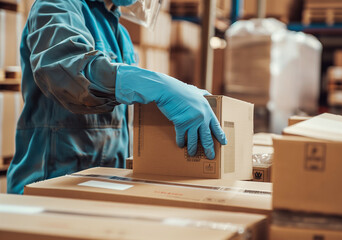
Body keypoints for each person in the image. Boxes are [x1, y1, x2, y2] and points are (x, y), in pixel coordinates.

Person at [7, 0, 226, 194]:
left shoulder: (121, 35)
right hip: (49, 187)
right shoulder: (57, 5)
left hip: (102, 187)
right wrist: (159, 86)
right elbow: (69, 73)